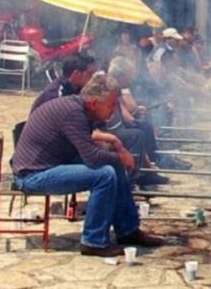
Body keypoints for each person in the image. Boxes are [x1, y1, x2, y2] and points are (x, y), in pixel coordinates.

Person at [11, 74, 164, 256]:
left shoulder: (80, 107)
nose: (114, 110)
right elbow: (92, 157)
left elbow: (89, 137)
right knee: (104, 174)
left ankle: (128, 230)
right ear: (94, 103)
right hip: (33, 175)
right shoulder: (73, 112)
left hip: (53, 163)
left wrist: (116, 143)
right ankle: (93, 241)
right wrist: (120, 157)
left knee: (113, 167)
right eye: (111, 105)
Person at [30, 53, 97, 113]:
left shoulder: (76, 88)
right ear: (76, 74)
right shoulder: (55, 95)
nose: (93, 78)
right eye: (90, 73)